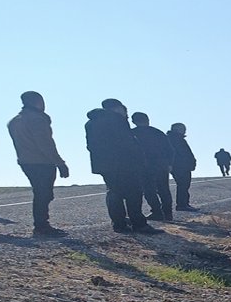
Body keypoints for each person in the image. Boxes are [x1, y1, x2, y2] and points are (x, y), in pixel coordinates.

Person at [85, 98, 157, 234]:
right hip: (125, 163)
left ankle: (119, 224)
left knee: (114, 192)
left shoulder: (91, 123)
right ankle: (139, 224)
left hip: (104, 164)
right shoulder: (116, 120)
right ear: (118, 108)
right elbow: (127, 143)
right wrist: (139, 159)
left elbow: (90, 145)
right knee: (134, 193)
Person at [7, 92, 69, 238]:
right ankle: (41, 226)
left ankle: (41, 224)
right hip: (41, 162)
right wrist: (60, 162)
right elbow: (45, 144)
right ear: (37, 101)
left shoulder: (14, 121)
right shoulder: (37, 119)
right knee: (44, 194)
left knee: (41, 193)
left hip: (25, 161)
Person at [131, 112, 173, 222]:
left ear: (133, 121)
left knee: (149, 190)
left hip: (144, 166)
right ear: (148, 120)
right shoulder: (158, 132)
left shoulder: (132, 133)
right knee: (164, 190)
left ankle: (157, 212)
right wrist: (169, 164)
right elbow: (170, 149)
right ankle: (168, 214)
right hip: (161, 165)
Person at [167, 123, 198, 212]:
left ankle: (184, 204)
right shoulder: (176, 139)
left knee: (183, 185)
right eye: (183, 129)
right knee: (183, 185)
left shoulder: (174, 138)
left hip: (180, 166)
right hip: (180, 166)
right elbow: (183, 153)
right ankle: (182, 204)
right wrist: (190, 163)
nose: (184, 131)